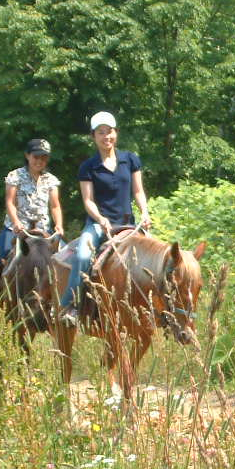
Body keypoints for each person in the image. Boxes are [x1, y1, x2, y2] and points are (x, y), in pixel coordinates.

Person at [58, 111, 151, 326]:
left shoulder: (130, 159)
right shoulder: (88, 167)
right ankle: (70, 305)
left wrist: (145, 213)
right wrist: (100, 218)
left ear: (116, 133)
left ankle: (162, 309)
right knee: (82, 255)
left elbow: (138, 191)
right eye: (101, 132)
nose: (106, 136)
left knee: (158, 257)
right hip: (100, 224)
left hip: (128, 223)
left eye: (109, 132)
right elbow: (88, 200)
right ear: (93, 137)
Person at [0, 137, 63, 311]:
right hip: (17, 228)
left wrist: (59, 225)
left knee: (66, 256)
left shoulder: (51, 180)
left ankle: (66, 301)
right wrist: (17, 223)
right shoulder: (15, 176)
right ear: (27, 156)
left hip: (43, 230)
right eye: (36, 156)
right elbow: (10, 202)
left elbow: (55, 205)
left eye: (44, 157)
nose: (39, 161)